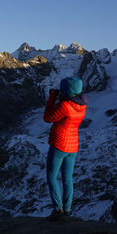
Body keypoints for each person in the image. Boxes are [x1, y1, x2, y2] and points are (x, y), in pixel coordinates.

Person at [43, 77, 88, 220]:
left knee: (51, 176)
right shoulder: (81, 106)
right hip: (73, 146)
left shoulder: (65, 106)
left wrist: (52, 97)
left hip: (59, 144)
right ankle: (67, 209)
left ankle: (58, 209)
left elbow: (47, 117)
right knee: (67, 179)